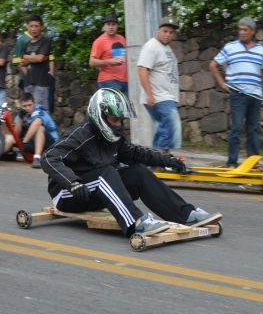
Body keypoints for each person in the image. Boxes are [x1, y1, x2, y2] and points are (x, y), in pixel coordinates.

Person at [40, 88, 222, 238]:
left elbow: (136, 153)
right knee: (107, 173)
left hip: (96, 190)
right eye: (114, 120)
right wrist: (73, 182)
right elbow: (49, 157)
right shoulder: (79, 135)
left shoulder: (115, 137)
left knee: (139, 172)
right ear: (99, 116)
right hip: (68, 194)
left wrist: (169, 160)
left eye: (121, 121)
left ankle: (186, 214)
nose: (118, 125)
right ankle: (136, 223)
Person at [209, 16, 263, 169]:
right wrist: (221, 82)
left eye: (245, 30)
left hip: (255, 95)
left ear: (253, 31)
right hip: (238, 94)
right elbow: (213, 65)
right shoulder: (230, 47)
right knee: (237, 128)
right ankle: (232, 162)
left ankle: (254, 162)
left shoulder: (261, 50)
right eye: (240, 29)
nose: (242, 32)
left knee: (253, 129)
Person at [138, 16, 181, 154]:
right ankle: (161, 158)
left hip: (166, 96)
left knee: (164, 127)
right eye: (165, 31)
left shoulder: (165, 48)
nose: (168, 34)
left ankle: (157, 159)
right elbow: (142, 69)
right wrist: (149, 95)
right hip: (158, 96)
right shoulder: (151, 47)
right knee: (171, 125)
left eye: (171, 32)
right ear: (158, 30)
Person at [2, 92, 58, 168]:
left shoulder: (40, 111)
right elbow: (16, 135)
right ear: (21, 105)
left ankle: (37, 158)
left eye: (29, 105)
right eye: (24, 106)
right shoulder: (22, 114)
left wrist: (25, 142)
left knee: (39, 127)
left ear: (34, 103)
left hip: (50, 145)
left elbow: (37, 122)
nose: (27, 108)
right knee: (9, 138)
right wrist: (20, 119)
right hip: (32, 142)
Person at [12, 17, 56, 112]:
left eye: (36, 26)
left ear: (41, 27)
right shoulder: (26, 43)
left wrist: (31, 58)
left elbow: (40, 58)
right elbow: (22, 62)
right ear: (27, 26)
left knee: (40, 111)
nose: (34, 29)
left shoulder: (46, 41)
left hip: (41, 82)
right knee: (28, 111)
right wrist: (36, 58)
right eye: (31, 26)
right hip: (28, 82)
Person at [89, 14, 129, 97]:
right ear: (104, 26)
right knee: (115, 109)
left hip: (125, 80)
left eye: (113, 24)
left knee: (127, 109)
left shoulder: (121, 38)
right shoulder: (99, 41)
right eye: (108, 24)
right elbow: (92, 62)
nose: (111, 27)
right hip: (108, 80)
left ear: (117, 26)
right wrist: (109, 61)